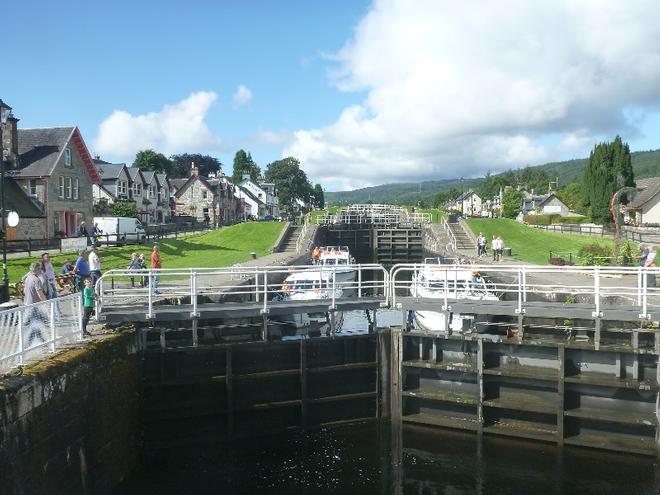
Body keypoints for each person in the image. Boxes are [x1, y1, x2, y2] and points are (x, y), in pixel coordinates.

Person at [23, 262, 48, 346]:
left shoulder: (28, 278)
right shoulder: (36, 280)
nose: (41, 270)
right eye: (40, 269)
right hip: (34, 305)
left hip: (27, 304)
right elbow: (40, 294)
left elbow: (24, 291)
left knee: (36, 323)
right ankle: (29, 344)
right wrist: (47, 302)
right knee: (34, 325)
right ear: (37, 270)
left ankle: (41, 340)